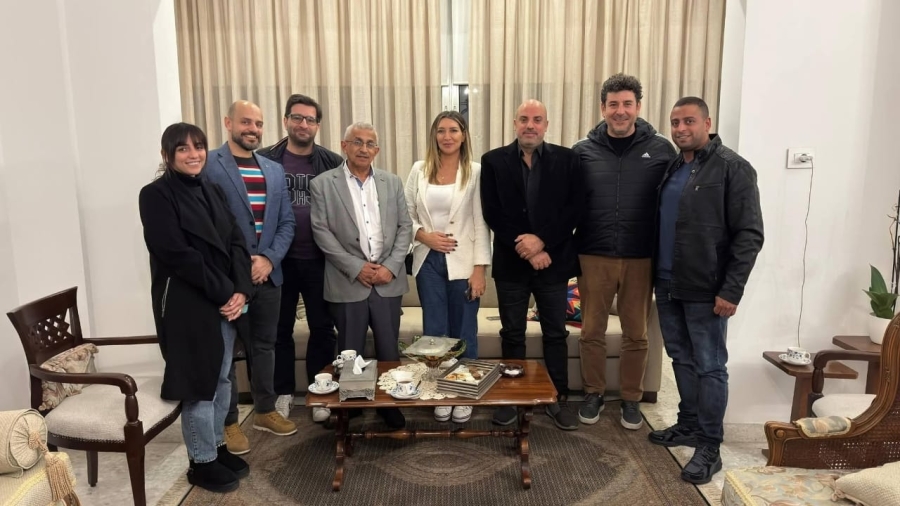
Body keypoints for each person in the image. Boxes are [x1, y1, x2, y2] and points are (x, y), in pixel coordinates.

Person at [649, 96, 763, 484]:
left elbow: (749, 234)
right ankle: (688, 424)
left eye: (689, 121)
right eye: (675, 122)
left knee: (710, 366)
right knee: (680, 358)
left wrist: (731, 290)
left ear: (707, 123)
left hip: (706, 287)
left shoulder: (733, 167)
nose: (681, 129)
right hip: (667, 281)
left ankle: (710, 446)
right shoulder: (672, 166)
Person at [139, 122, 252, 493]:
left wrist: (241, 291)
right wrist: (226, 293)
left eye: (199, 146)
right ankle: (201, 461)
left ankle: (216, 446)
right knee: (200, 385)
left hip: (224, 302)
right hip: (188, 306)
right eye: (183, 148)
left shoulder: (211, 188)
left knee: (222, 379)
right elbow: (176, 254)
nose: (193, 154)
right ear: (167, 155)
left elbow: (236, 241)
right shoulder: (155, 195)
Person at [573, 73, 677, 430]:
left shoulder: (661, 149)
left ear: (638, 107)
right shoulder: (582, 151)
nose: (620, 111)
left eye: (627, 104)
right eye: (613, 104)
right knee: (591, 332)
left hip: (641, 257)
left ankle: (631, 398)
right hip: (593, 254)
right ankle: (593, 393)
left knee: (637, 333)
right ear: (603, 108)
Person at [480, 99, 584, 430]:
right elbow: (492, 212)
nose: (530, 125)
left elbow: (574, 209)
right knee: (512, 333)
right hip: (511, 264)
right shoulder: (493, 161)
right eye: (524, 119)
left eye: (537, 119)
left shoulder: (568, 159)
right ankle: (513, 398)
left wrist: (542, 242)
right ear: (515, 123)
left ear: (546, 125)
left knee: (555, 333)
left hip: (553, 262)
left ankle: (556, 398)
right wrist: (527, 248)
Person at [205, 100, 298, 455]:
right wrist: (241, 266)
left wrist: (269, 260)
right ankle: (229, 421)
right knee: (226, 353)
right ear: (228, 122)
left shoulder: (273, 169)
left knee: (265, 346)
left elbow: (286, 223)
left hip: (268, 277)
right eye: (246, 122)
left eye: (258, 124)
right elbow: (205, 225)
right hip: (228, 280)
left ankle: (264, 410)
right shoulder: (208, 165)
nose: (253, 129)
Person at [310, 122, 412, 430]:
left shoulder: (392, 182)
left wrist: (390, 266)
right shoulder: (323, 184)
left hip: (387, 280)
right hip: (347, 280)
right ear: (345, 146)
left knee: (389, 349)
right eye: (357, 142)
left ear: (376, 150)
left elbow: (405, 227)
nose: (364, 148)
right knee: (349, 350)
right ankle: (351, 406)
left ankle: (389, 405)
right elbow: (321, 231)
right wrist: (356, 267)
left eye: (370, 143)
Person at [258, 94, 343, 424]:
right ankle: (282, 393)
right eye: (297, 118)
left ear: (317, 125)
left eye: (310, 119)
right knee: (279, 330)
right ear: (286, 121)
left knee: (323, 328)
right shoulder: (265, 160)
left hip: (320, 259)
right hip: (277, 260)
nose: (303, 124)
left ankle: (320, 392)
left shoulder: (332, 162)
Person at [405, 111, 491, 423]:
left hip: (464, 262)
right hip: (428, 261)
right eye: (441, 131)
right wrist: (423, 235)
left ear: (463, 135)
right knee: (435, 331)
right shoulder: (419, 169)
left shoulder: (476, 171)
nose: (447, 136)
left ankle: (464, 391)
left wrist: (480, 268)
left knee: (464, 329)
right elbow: (405, 213)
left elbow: (481, 223)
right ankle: (440, 390)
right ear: (434, 135)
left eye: (453, 130)